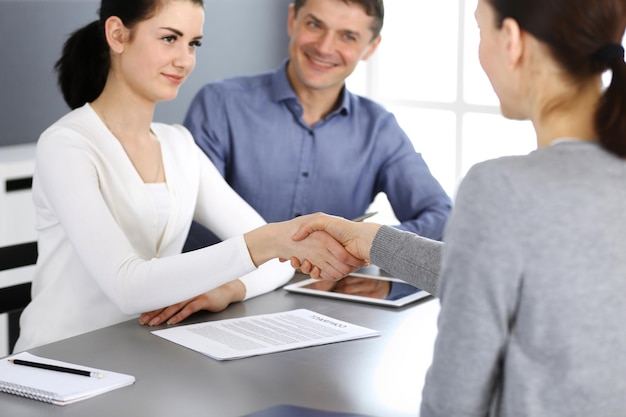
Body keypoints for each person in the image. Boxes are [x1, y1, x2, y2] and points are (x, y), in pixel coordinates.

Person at [292, 0, 626, 414]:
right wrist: (372, 241)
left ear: (513, 41)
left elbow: (453, 400)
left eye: (481, 30)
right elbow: (506, 276)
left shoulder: (503, 187)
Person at [14, 0, 365, 352]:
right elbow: (128, 287)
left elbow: (279, 265)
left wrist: (228, 289)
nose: (185, 60)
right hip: (57, 359)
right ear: (118, 35)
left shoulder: (179, 145)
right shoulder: (67, 145)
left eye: (193, 43)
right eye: (169, 38)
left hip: (142, 358)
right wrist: (268, 241)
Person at [181, 0, 452, 252]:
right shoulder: (220, 104)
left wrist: (369, 245)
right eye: (315, 25)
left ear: (371, 47)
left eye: (348, 36)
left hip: (327, 297)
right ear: (292, 20)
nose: (324, 47)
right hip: (223, 291)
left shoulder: (379, 129)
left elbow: (441, 217)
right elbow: (190, 217)